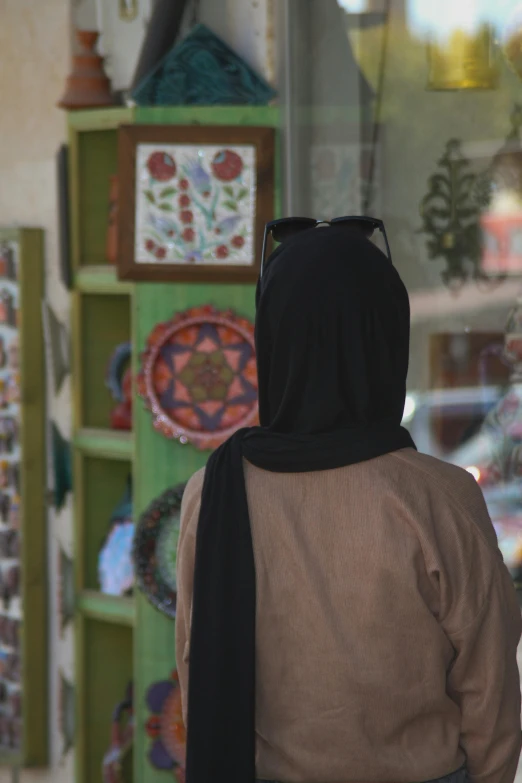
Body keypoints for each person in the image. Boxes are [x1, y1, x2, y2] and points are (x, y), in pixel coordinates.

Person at [175, 222, 522, 783]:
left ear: (274, 341)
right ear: (385, 340)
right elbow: (491, 697)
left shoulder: (214, 493)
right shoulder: (438, 497)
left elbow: (199, 676)